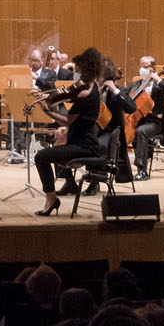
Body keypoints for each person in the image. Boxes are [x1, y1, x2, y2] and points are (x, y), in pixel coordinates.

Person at [29, 48, 114, 216]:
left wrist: (45, 111)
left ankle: (51, 199)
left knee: (41, 157)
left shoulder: (84, 92)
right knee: (49, 151)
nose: (76, 72)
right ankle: (54, 195)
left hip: (84, 146)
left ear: (86, 69)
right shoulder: (91, 87)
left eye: (79, 68)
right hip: (83, 141)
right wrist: (47, 97)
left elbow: (68, 120)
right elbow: (65, 98)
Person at [126, 56, 164, 180]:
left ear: (153, 68)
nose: (142, 70)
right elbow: (126, 99)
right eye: (141, 67)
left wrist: (159, 80)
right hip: (138, 120)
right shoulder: (136, 85)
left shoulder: (162, 84)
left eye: (145, 67)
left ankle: (142, 171)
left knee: (140, 131)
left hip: (155, 122)